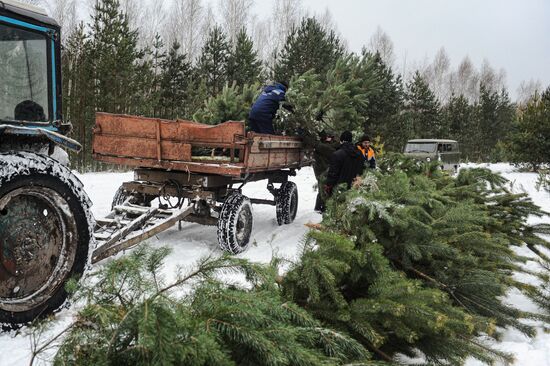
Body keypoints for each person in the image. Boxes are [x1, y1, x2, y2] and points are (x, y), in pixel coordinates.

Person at [323, 130, 365, 198]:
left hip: (340, 191)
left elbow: (333, 173)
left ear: (341, 141)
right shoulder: (359, 153)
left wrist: (328, 186)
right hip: (356, 189)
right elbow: (362, 169)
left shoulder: (337, 154)